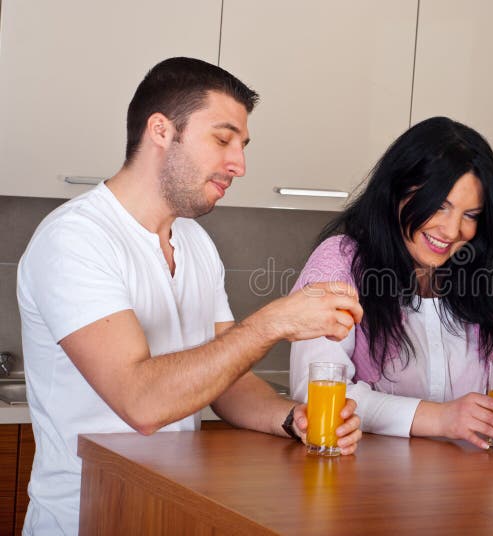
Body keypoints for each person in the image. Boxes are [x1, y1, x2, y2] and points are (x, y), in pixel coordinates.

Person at [16, 57, 363, 535]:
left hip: (173, 512)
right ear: (161, 130)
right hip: (87, 517)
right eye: (223, 139)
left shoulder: (196, 243)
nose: (239, 164)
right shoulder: (76, 239)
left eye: (242, 145)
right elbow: (141, 403)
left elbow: (227, 383)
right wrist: (272, 323)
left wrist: (293, 419)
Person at [289, 116, 493, 449]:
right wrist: (440, 418)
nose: (452, 230)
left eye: (471, 215)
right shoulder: (340, 263)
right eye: (440, 206)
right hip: (364, 486)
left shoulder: (491, 281)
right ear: (397, 190)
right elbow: (317, 387)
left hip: (470, 488)